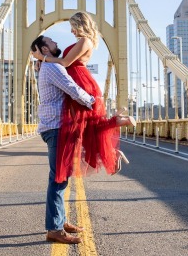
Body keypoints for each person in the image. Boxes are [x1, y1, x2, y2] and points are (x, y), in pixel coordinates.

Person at [32, 11, 134, 183]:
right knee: (83, 128)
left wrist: (43, 57)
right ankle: (113, 145)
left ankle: (118, 123)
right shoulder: (81, 42)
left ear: (80, 24)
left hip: (81, 83)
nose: (71, 31)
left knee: (85, 126)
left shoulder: (85, 41)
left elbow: (64, 63)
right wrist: (43, 63)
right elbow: (64, 63)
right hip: (77, 81)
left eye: (73, 27)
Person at [30, 35, 94, 244]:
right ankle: (54, 229)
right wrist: (92, 101)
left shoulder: (47, 66)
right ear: (45, 49)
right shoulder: (52, 68)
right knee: (58, 180)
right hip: (57, 128)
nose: (56, 43)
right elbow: (72, 89)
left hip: (54, 127)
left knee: (61, 178)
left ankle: (61, 220)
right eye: (52, 41)